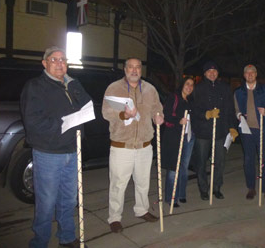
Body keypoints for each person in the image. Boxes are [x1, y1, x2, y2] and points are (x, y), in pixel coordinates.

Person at [20, 46, 92, 248]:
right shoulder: (35, 86)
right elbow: (33, 122)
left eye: (63, 60)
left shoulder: (71, 85)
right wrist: (64, 124)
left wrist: (72, 82)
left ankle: (67, 236)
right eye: (54, 60)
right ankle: (40, 241)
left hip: (72, 150)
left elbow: (87, 105)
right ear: (44, 63)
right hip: (48, 153)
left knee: (69, 199)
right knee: (46, 201)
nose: (60, 63)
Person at [102, 57, 164, 233]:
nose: (135, 70)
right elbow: (106, 112)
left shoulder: (150, 89)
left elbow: (157, 107)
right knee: (118, 184)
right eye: (131, 67)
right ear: (125, 69)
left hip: (145, 145)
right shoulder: (114, 88)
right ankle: (114, 217)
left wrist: (158, 116)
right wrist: (124, 115)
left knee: (143, 182)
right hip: (122, 145)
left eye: (138, 67)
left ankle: (142, 209)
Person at [192, 61, 238, 200]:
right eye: (209, 71)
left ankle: (217, 187)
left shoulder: (224, 88)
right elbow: (193, 110)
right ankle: (203, 189)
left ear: (217, 73)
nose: (212, 73)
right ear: (205, 73)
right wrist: (206, 114)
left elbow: (230, 109)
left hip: (220, 131)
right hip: (203, 132)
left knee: (220, 161)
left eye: (214, 71)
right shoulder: (198, 89)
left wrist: (232, 126)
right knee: (201, 162)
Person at [234, 64, 265, 203]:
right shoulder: (238, 92)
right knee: (248, 159)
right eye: (247, 73)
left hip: (263, 129)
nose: (250, 75)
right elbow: (236, 110)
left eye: (252, 72)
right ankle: (251, 188)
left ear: (256, 74)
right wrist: (240, 115)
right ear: (244, 75)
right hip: (247, 131)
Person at [161, 77, 195, 207]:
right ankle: (171, 197)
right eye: (187, 84)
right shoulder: (174, 98)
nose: (189, 87)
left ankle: (181, 194)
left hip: (189, 137)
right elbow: (166, 115)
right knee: (173, 168)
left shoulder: (190, 100)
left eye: (192, 85)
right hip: (174, 137)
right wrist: (178, 121)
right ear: (182, 85)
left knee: (184, 168)